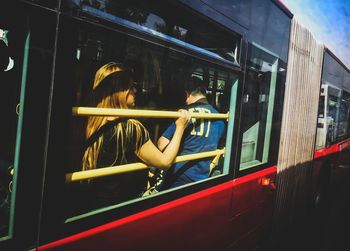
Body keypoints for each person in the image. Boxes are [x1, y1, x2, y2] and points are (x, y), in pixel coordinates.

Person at [80, 62, 190, 207]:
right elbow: (164, 162)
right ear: (121, 91)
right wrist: (180, 127)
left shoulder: (89, 121)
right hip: (119, 206)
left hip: (90, 202)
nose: (136, 91)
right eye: (132, 87)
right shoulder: (130, 128)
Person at [156, 76, 225, 190]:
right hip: (201, 178)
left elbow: (161, 144)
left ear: (186, 94)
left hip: (177, 177)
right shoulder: (220, 118)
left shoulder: (184, 114)